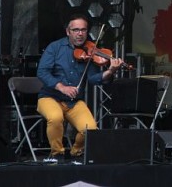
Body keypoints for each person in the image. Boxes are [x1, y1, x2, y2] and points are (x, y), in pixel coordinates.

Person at [37, 14, 123, 160]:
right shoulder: (55, 47)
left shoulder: (90, 51)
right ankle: (57, 154)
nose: (80, 34)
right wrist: (61, 87)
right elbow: (42, 72)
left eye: (83, 30)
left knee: (90, 129)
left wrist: (110, 71)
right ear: (68, 31)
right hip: (49, 97)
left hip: (73, 101)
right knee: (55, 117)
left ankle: (76, 152)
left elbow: (93, 79)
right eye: (76, 30)